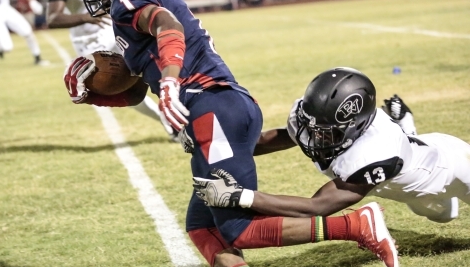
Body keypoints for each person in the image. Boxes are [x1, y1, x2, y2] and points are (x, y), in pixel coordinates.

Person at [66, 0, 398, 267]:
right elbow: (139, 86)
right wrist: (98, 93)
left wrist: (171, 84)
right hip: (220, 107)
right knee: (201, 225)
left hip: (213, 107)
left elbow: (167, 29)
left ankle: (356, 225)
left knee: (238, 228)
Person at [193, 67, 470, 226]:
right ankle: (406, 127)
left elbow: (317, 206)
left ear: (356, 126)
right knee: (441, 215)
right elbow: (280, 137)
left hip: (450, 165)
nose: (313, 136)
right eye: (311, 126)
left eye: (326, 132)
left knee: (444, 211)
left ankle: (406, 127)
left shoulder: (377, 152)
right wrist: (213, 142)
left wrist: (240, 196)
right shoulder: (315, 117)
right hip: (408, 176)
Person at [39, 0, 208, 140]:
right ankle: (173, 123)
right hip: (90, 38)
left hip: (121, 24)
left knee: (153, 65)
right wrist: (86, 17)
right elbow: (53, 18)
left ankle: (188, 112)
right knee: (117, 82)